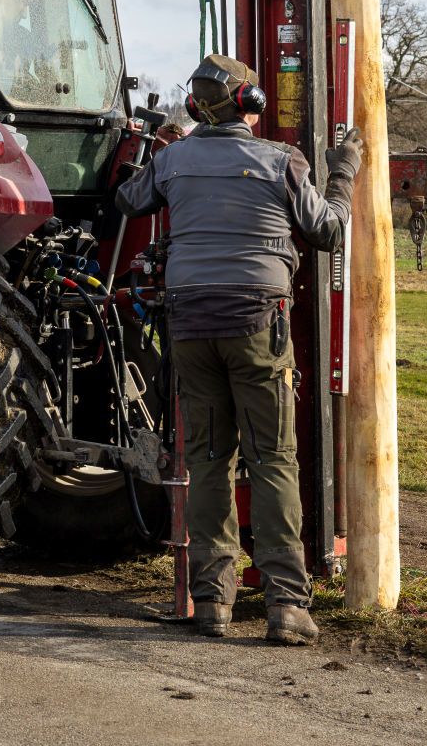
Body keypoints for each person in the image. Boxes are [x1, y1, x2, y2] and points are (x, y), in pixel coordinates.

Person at [116, 53, 362, 643]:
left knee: (208, 461)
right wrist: (344, 174)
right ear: (251, 105)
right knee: (273, 459)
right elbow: (327, 230)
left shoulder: (173, 159)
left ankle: (211, 602)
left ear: (195, 107)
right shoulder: (281, 160)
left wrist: (159, 153)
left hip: (190, 326)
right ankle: (287, 606)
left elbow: (128, 200)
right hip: (257, 324)